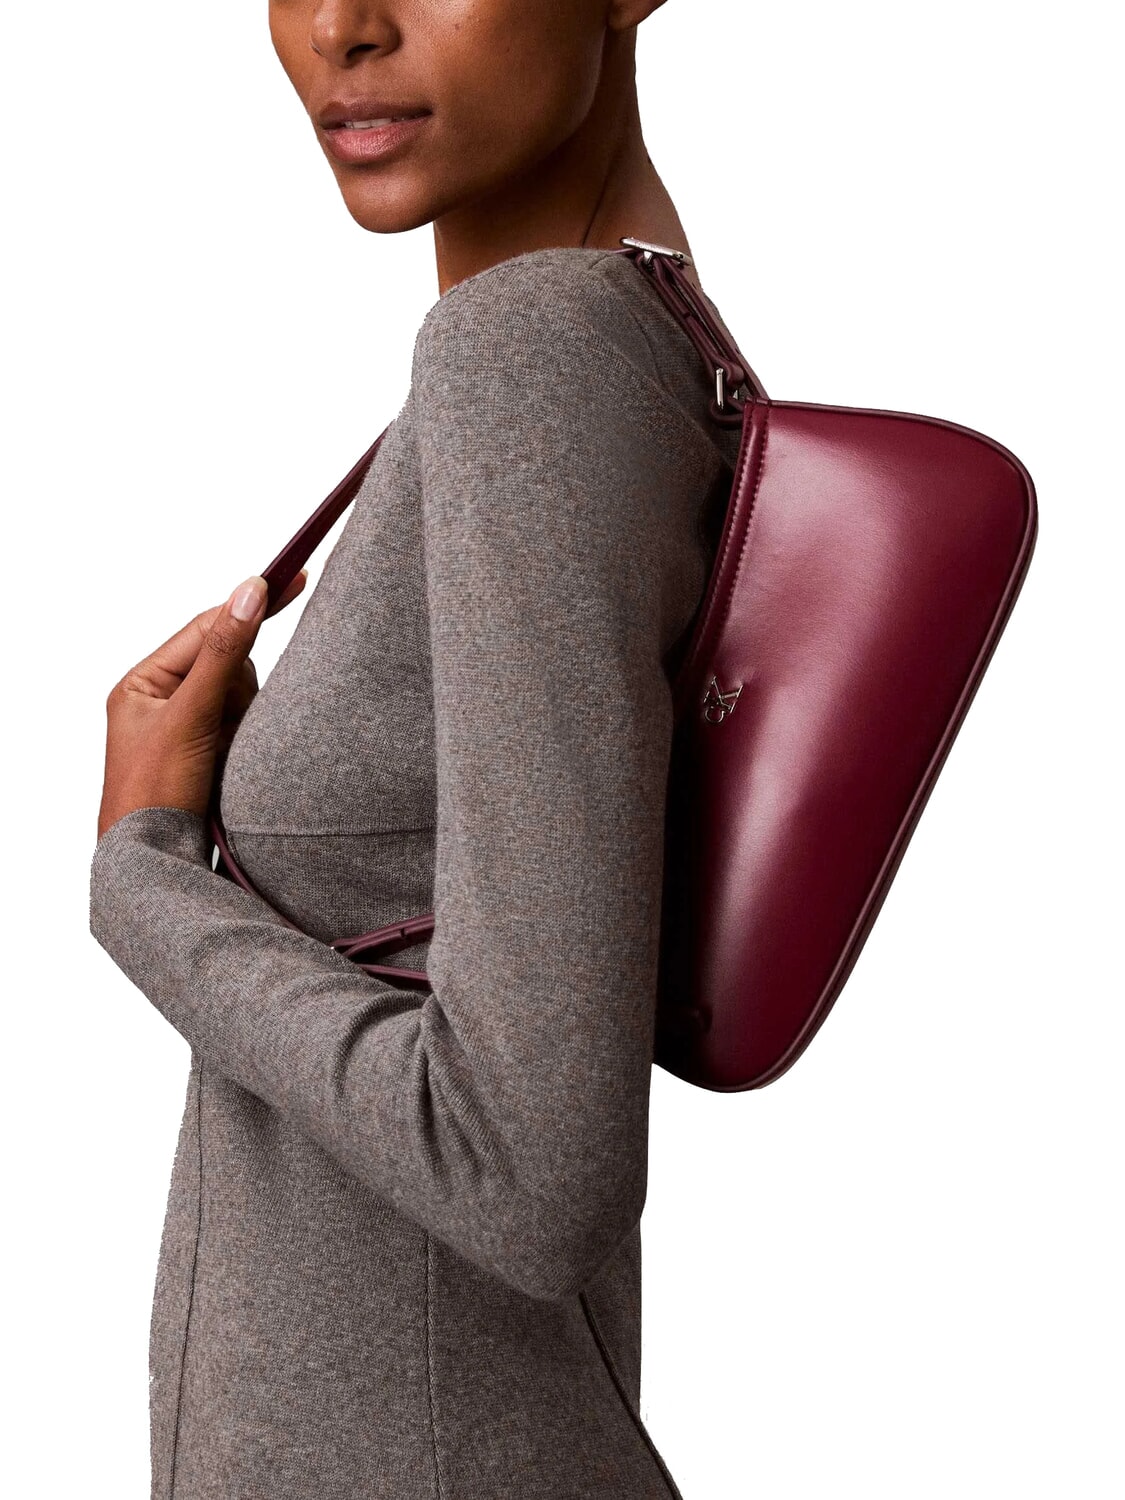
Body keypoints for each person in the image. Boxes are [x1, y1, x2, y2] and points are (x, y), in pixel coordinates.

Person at [89, 2, 745, 1495]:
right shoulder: (589, 347)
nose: (343, 26)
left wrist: (143, 873)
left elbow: (529, 1176)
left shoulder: (532, 354)